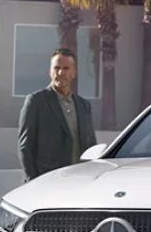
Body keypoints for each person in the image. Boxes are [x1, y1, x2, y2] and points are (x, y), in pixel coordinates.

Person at [18, 48, 97, 181]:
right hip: (47, 182)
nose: (61, 72)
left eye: (66, 68)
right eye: (56, 68)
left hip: (79, 182)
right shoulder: (36, 101)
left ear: (73, 73)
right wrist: (33, 181)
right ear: (50, 71)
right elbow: (25, 146)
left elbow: (91, 146)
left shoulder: (84, 106)